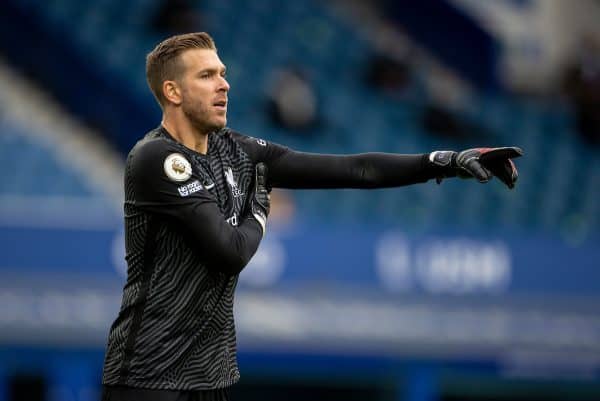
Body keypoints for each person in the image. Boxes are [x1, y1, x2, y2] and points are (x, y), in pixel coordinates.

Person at [101, 32, 522, 401]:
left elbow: (354, 169)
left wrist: (444, 161)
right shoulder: (157, 157)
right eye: (207, 75)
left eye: (223, 72)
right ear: (173, 92)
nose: (224, 84)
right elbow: (228, 251)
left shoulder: (238, 151)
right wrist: (262, 210)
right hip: (147, 368)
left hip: (210, 372)